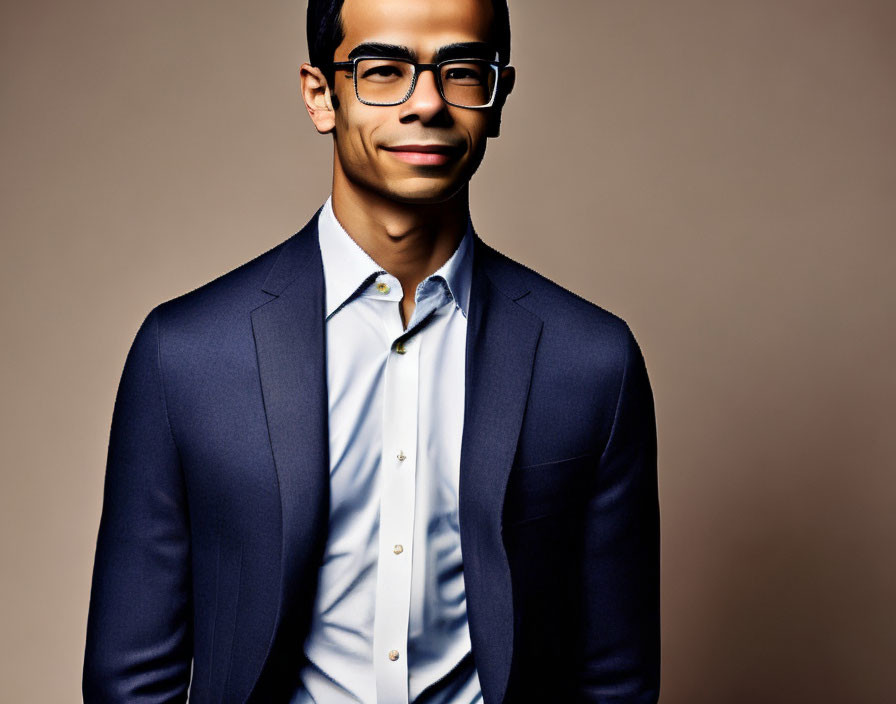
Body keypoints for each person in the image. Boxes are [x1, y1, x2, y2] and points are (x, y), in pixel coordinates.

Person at [82, 0, 661, 701]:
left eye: (463, 70)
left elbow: (616, 679)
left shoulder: (594, 363)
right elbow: (131, 679)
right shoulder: (185, 355)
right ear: (321, 94)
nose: (427, 103)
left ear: (500, 96)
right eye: (383, 69)